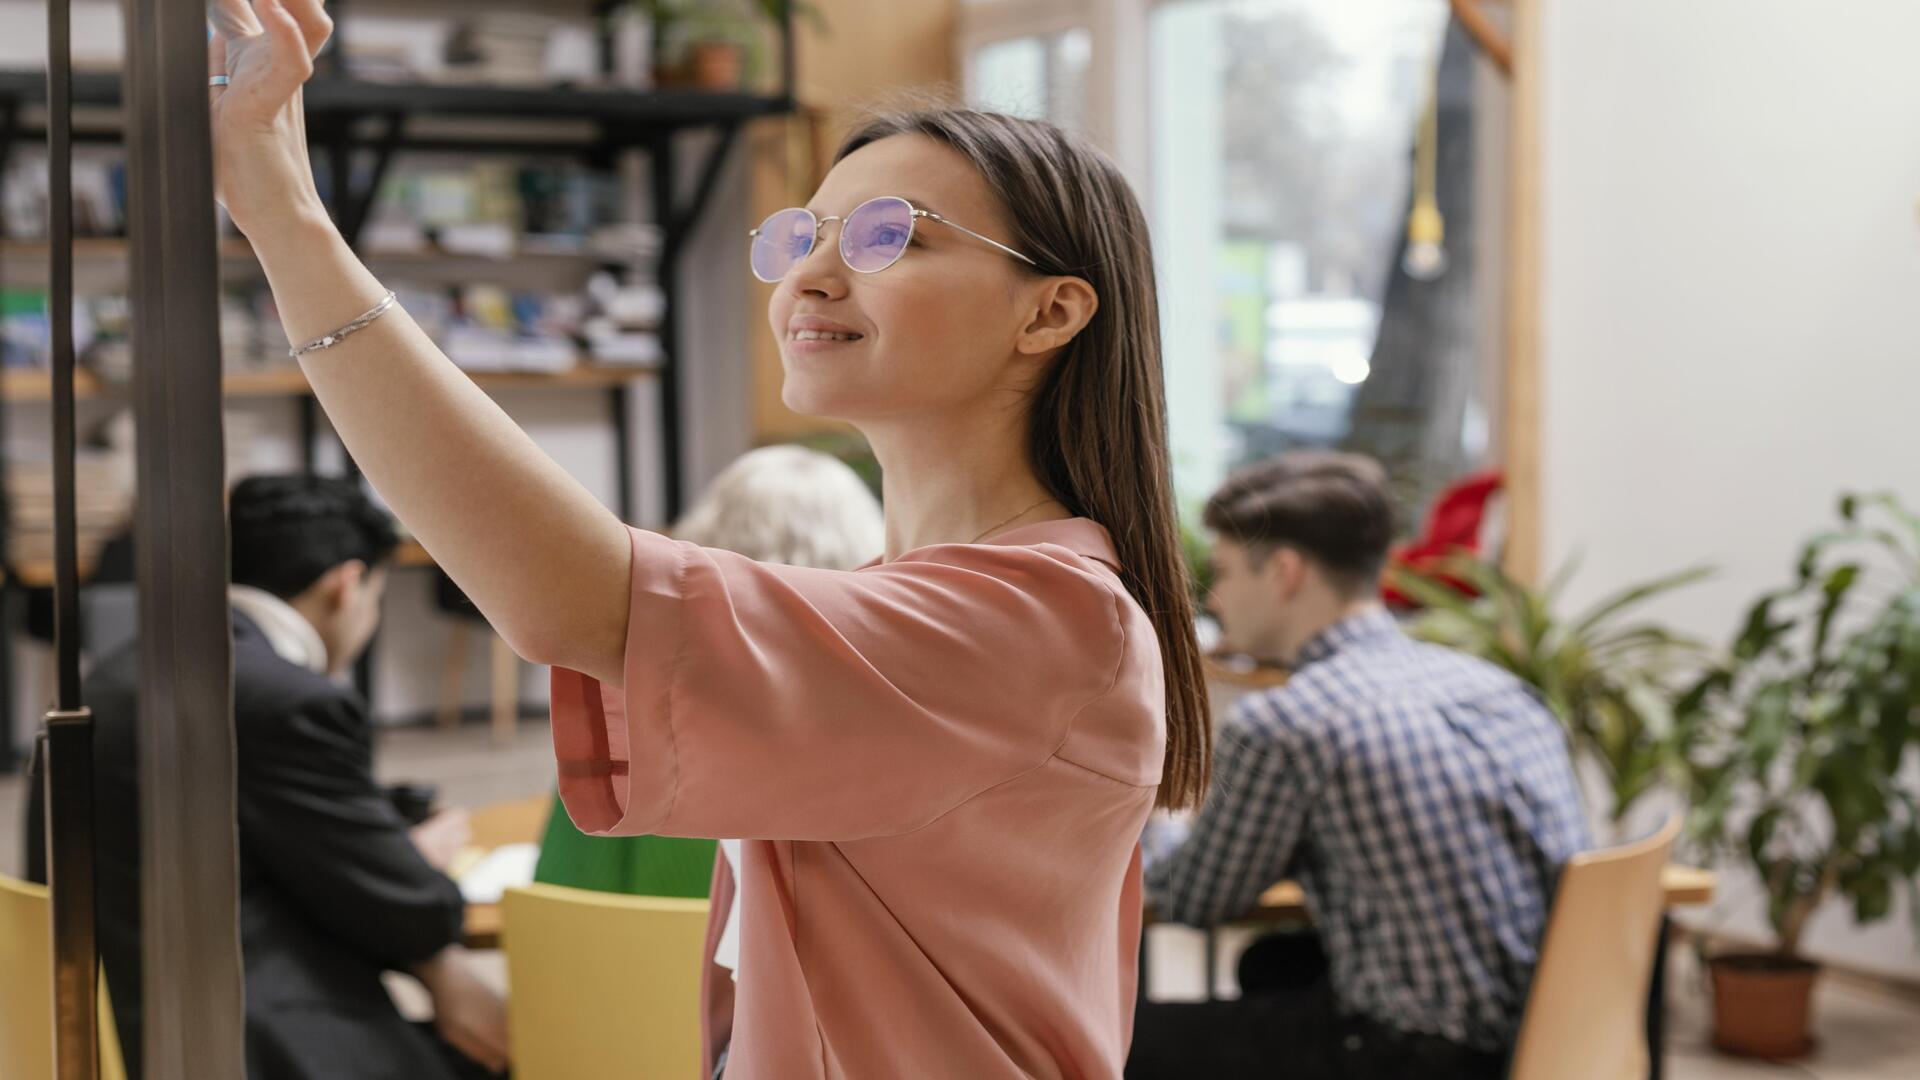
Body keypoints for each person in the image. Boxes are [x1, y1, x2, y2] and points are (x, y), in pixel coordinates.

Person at [208, 3, 1211, 1077]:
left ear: (1050, 314)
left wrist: (286, 212)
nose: (810, 279)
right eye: (802, 237)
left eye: (888, 237)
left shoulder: (1048, 618)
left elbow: (572, 596)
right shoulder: (939, 599)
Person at [27, 475, 508, 1079]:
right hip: (254, 1034)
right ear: (347, 584)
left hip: (123, 1014)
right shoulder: (284, 699)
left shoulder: (130, 667)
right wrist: (417, 867)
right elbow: (405, 907)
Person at [1130, 452, 1590, 1080]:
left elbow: (1191, 899)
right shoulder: (1498, 690)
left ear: (1285, 572)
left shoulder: (1293, 722)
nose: (1219, 598)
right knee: (1273, 964)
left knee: (1123, 1032)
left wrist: (1148, 819)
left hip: (1412, 1054)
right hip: (1544, 1039)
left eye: (1228, 572)